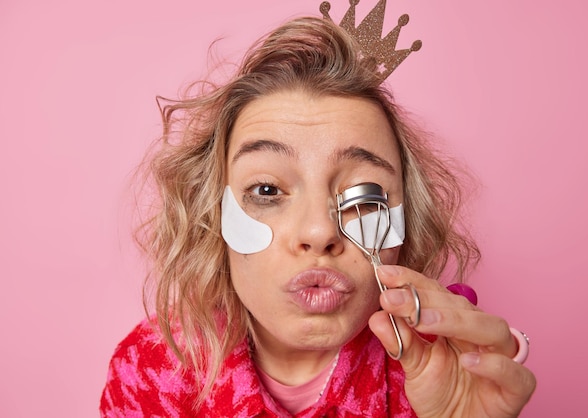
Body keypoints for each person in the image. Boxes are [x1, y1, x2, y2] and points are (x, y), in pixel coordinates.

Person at [100, 3, 536, 417]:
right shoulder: (149, 373)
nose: (319, 231)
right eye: (267, 189)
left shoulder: (441, 369)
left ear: (409, 223)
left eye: (364, 196)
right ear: (212, 216)